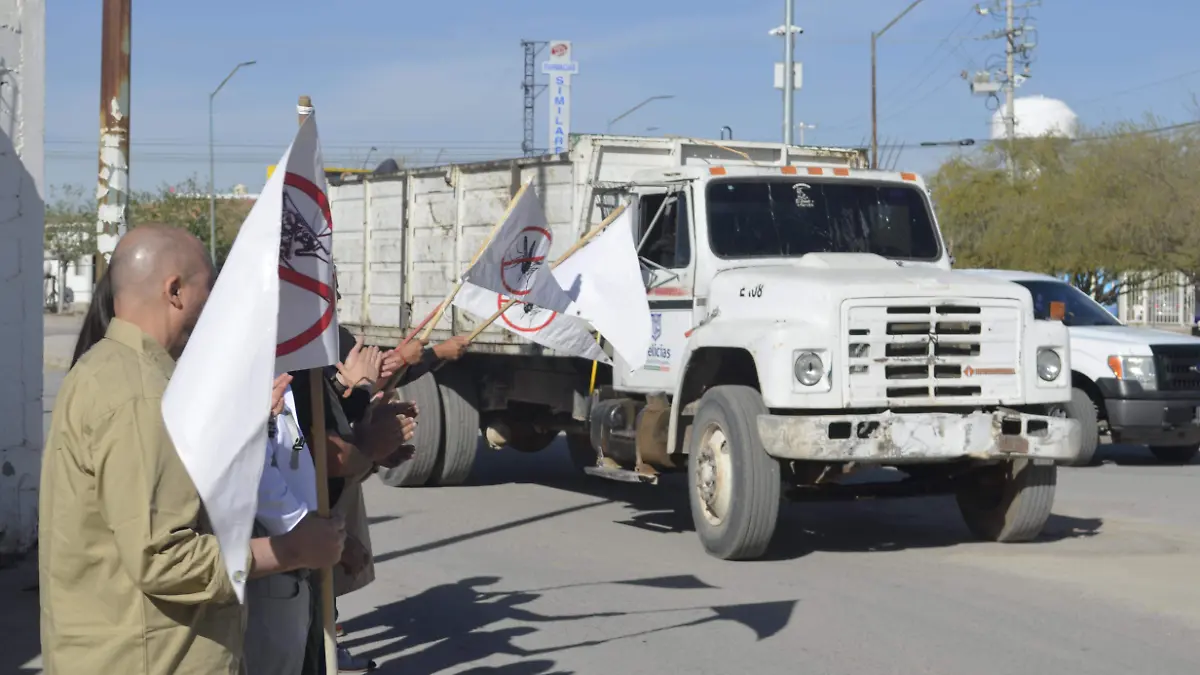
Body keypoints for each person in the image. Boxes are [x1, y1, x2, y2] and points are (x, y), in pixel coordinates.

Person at [39, 225, 346, 674]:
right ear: (176, 291)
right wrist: (292, 550)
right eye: (211, 288)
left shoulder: (107, 369)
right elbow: (164, 558)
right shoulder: (140, 395)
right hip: (147, 658)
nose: (216, 306)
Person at [292, 324, 469, 674]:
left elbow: (339, 406)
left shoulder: (323, 337)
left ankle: (326, 641)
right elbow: (321, 448)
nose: (334, 294)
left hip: (322, 505)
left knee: (316, 607)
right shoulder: (296, 351)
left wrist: (367, 421)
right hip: (302, 519)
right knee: (300, 625)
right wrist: (368, 440)